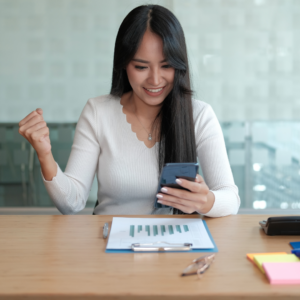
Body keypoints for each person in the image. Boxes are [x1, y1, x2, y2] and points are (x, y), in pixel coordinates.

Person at [18, 5, 240, 217]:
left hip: (174, 245)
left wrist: (207, 201)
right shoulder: (98, 112)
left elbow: (230, 198)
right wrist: (45, 154)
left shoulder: (199, 116)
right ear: (124, 65)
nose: (155, 79)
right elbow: (71, 203)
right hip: (110, 244)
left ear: (179, 66)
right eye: (141, 67)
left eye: (166, 66)